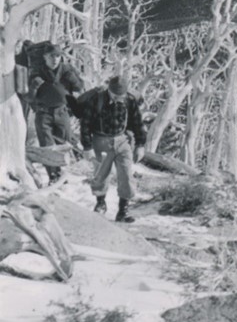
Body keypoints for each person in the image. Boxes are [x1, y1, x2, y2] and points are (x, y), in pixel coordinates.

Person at [80, 75, 147, 223]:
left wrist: (140, 145)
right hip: (101, 140)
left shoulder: (129, 100)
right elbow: (85, 124)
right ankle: (100, 203)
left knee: (127, 175)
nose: (118, 98)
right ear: (109, 91)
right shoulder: (96, 100)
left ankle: (123, 210)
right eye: (115, 95)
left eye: (121, 96)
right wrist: (87, 146)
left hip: (122, 140)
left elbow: (137, 122)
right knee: (101, 174)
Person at [27, 42, 84, 183]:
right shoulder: (36, 72)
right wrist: (34, 85)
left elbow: (79, 87)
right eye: (52, 56)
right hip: (43, 113)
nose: (55, 59)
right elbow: (28, 97)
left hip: (62, 112)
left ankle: (62, 173)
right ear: (45, 57)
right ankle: (53, 175)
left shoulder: (66, 70)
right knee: (47, 145)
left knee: (63, 142)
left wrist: (73, 79)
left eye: (58, 56)